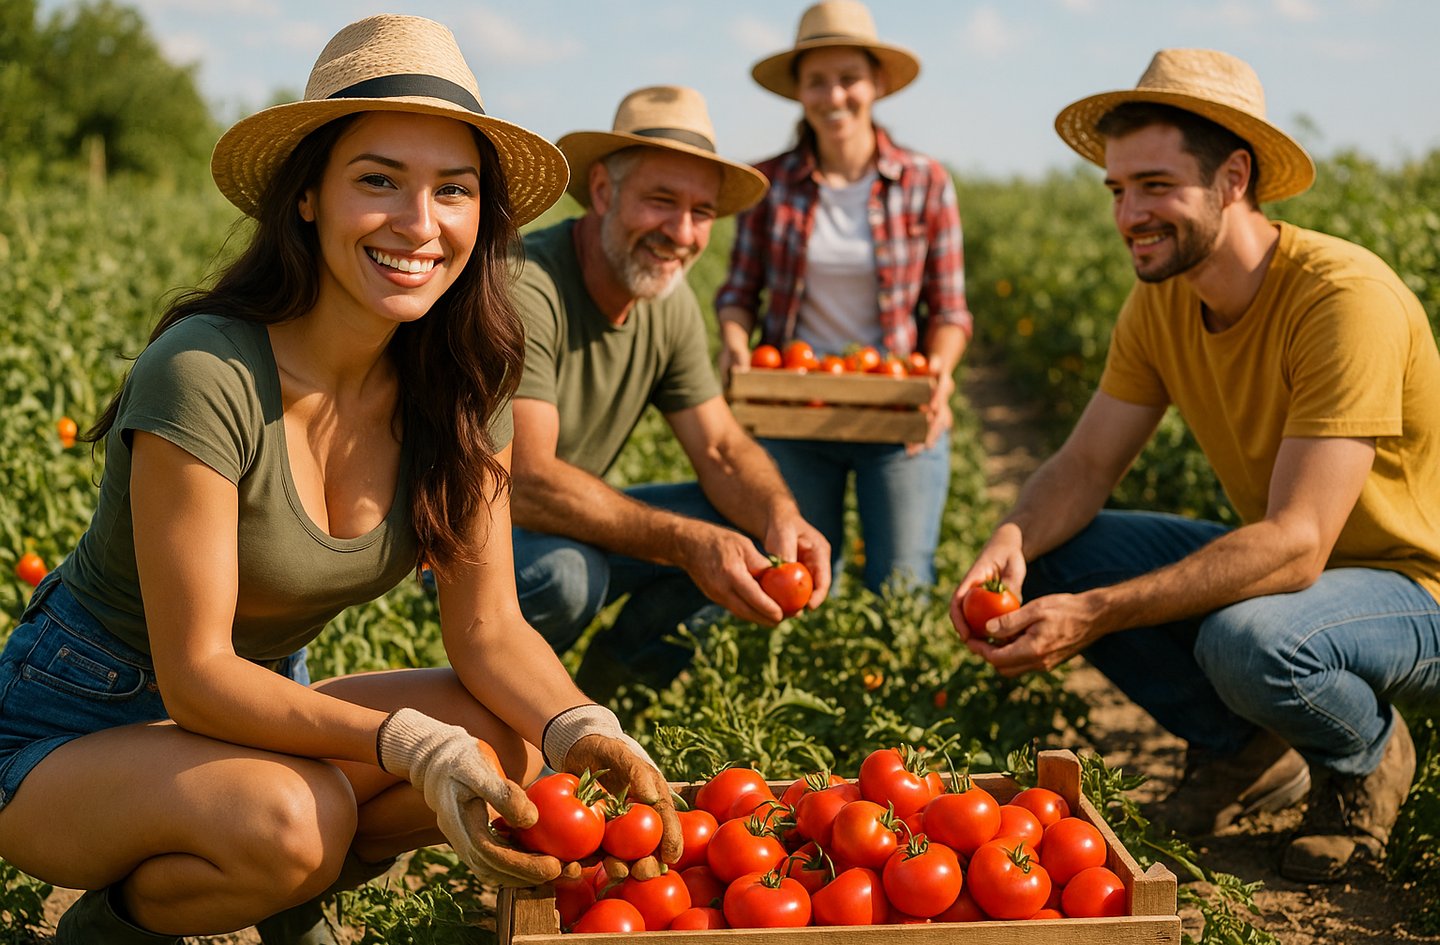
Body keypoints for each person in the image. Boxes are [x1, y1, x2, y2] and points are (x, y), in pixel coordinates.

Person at [0, 16, 678, 944]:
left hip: (262, 711)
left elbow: (488, 628)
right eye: (378, 181)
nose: (419, 224)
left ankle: (284, 888)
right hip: (75, 723)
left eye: (453, 190)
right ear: (309, 195)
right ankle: (117, 927)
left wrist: (583, 727)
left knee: (514, 739)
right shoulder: (209, 372)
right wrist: (402, 740)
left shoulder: (462, 384)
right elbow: (197, 677)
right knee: (294, 821)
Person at [950, 48, 1440, 882]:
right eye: (1117, 190)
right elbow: (1084, 464)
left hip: (1409, 592)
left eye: (1154, 185)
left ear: (1233, 178)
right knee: (1056, 556)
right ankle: (1243, 750)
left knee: (1250, 639)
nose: (1129, 213)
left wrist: (1097, 612)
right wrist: (1012, 537)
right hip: (1303, 576)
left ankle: (1366, 756)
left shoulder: (1340, 300)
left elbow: (1297, 544)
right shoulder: (1163, 301)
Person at [509, 85, 831, 704]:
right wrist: (686, 543)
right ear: (603, 192)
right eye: (661, 201)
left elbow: (720, 449)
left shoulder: (669, 305)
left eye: (701, 212)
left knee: (745, 527)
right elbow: (525, 480)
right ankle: (510, 709)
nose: (681, 232)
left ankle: (610, 692)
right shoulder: (526, 286)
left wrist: (778, 517)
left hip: (559, 520)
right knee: (567, 577)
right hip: (466, 536)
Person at [714, 0, 972, 593]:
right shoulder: (768, 184)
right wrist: (733, 343)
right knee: (797, 575)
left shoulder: (925, 181)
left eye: (849, 79)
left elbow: (950, 309)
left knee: (902, 582)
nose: (835, 96)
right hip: (792, 409)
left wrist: (941, 372)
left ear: (876, 84)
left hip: (897, 403)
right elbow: (738, 291)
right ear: (800, 92)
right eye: (818, 82)